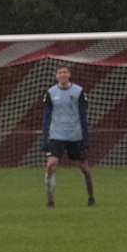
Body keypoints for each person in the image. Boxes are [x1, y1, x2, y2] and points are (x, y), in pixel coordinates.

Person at [42, 65, 95, 208]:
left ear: (69, 74)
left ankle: (91, 197)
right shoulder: (51, 93)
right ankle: (50, 200)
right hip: (56, 135)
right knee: (51, 165)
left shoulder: (78, 92)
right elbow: (46, 117)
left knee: (84, 168)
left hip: (74, 135)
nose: (62, 75)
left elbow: (83, 116)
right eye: (60, 72)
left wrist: (85, 138)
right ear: (56, 76)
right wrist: (44, 139)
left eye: (65, 72)